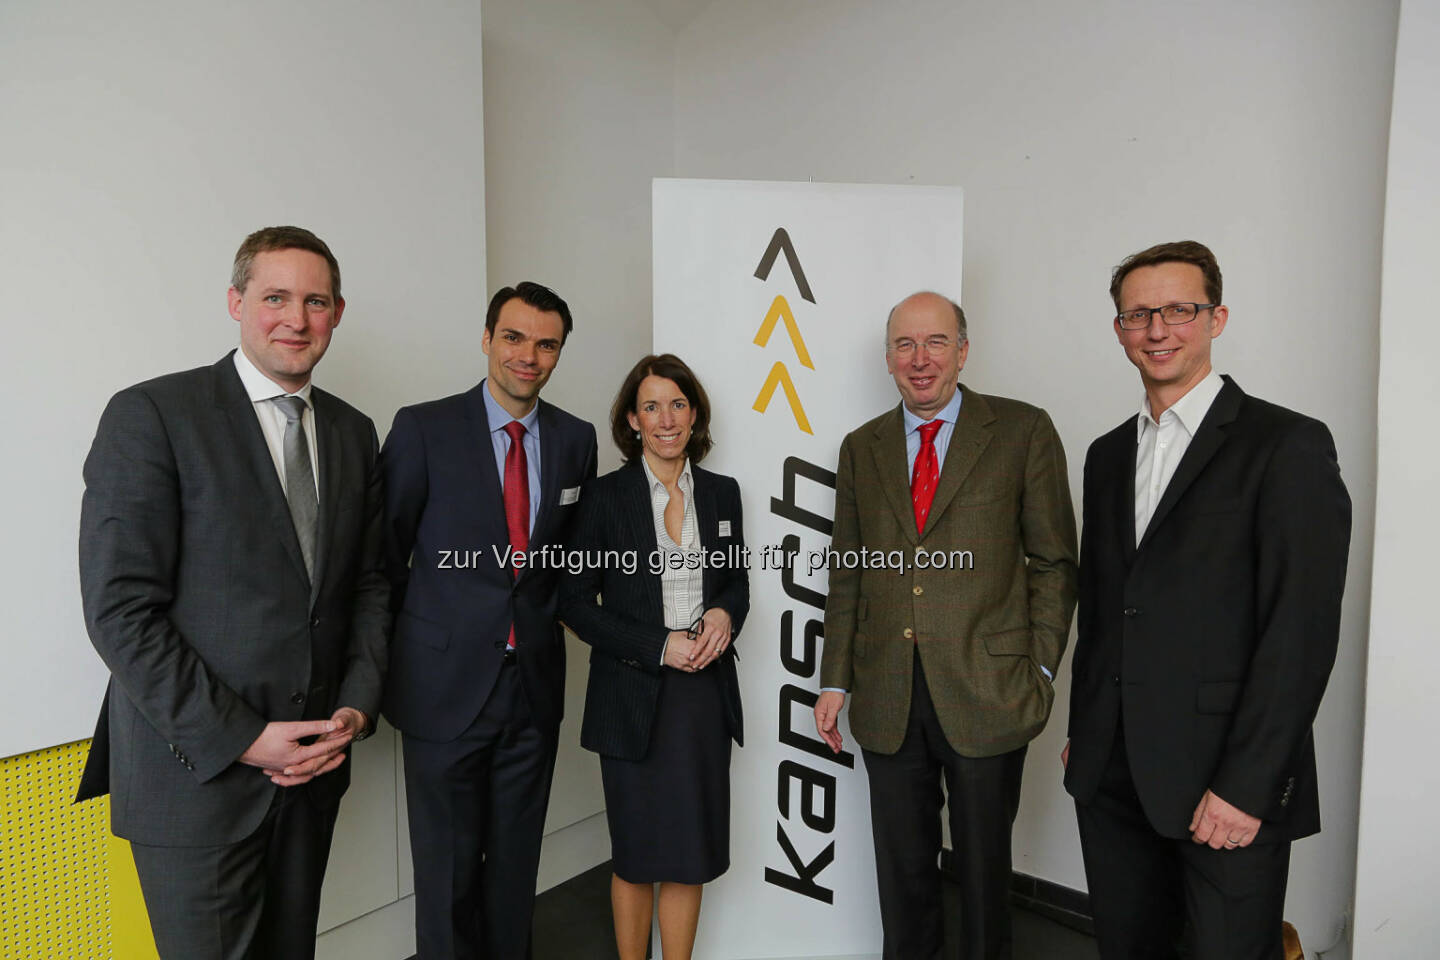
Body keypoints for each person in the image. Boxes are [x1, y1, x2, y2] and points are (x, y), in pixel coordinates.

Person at [75, 225, 389, 960]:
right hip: (196, 781)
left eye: (316, 301)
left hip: (312, 773)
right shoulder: (153, 415)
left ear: (337, 312)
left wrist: (356, 704)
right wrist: (245, 739)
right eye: (275, 297)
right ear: (235, 301)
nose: (297, 319)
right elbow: (121, 611)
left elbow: (369, 584)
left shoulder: (351, 432)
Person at [1062, 241, 1351, 960]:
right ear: (1119, 329)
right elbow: (1103, 608)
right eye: (1138, 315)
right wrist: (1088, 728)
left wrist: (1249, 786)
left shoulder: (1286, 445)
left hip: (1223, 781)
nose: (1158, 329)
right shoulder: (1105, 456)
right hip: (1112, 773)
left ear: (1216, 317)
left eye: (1179, 310)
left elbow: (1300, 633)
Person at [813, 291, 1078, 960]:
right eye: (905, 344)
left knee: (986, 874)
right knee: (903, 874)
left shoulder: (1022, 431)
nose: (920, 358)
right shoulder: (861, 448)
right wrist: (834, 681)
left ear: (963, 351)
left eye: (935, 342)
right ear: (887, 358)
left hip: (990, 689)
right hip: (887, 693)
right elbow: (848, 571)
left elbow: (1054, 562)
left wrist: (1040, 669)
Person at [380, 281, 598, 959]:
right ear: (487, 338)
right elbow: (383, 558)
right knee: (444, 875)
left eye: (545, 343)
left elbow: (569, 559)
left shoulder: (575, 439)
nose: (527, 356)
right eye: (513, 337)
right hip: (443, 688)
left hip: (531, 689)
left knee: (514, 870)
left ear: (559, 352)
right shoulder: (423, 427)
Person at [560, 353, 748, 960]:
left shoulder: (722, 494)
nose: (665, 418)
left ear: (694, 415)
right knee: (638, 857)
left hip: (701, 699)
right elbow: (574, 602)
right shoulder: (604, 497)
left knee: (688, 855)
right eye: (650, 406)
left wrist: (723, 613)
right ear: (632, 420)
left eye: (677, 404)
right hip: (631, 693)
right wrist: (658, 644)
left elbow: (736, 583)